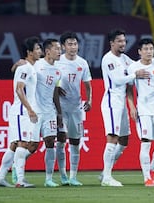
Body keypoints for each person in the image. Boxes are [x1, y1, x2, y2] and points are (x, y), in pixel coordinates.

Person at [100, 28, 150, 187]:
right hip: (111, 102)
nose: (123, 44)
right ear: (112, 43)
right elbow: (119, 80)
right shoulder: (108, 59)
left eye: (124, 41)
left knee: (124, 140)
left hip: (121, 102)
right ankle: (107, 177)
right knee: (113, 137)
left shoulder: (125, 59)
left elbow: (139, 65)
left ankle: (105, 172)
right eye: (119, 41)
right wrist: (136, 75)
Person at [0, 36, 42, 188]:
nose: (40, 51)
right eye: (37, 49)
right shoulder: (25, 68)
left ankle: (0, 177)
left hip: (24, 110)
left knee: (14, 145)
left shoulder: (31, 67)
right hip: (22, 111)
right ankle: (20, 180)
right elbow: (19, 89)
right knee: (22, 143)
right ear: (29, 52)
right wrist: (29, 109)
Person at [127, 38, 154, 187]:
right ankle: (147, 178)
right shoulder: (133, 68)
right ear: (139, 52)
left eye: (151, 49)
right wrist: (132, 107)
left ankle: (152, 169)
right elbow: (129, 89)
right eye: (145, 49)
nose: (149, 51)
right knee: (146, 143)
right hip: (143, 111)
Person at [55, 31, 92, 186]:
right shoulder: (57, 62)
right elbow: (48, 81)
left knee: (75, 141)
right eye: (69, 44)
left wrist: (89, 100)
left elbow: (87, 83)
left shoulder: (82, 63)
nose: (73, 47)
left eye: (75, 44)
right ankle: (63, 175)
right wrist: (55, 89)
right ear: (63, 46)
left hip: (76, 108)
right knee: (61, 140)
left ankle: (73, 176)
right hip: (60, 108)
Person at [33, 38, 63, 187]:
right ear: (47, 51)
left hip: (49, 111)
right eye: (57, 49)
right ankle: (16, 168)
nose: (60, 51)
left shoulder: (58, 70)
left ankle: (48, 179)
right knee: (31, 146)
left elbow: (55, 92)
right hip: (35, 111)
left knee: (51, 142)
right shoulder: (36, 65)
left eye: (60, 49)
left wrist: (59, 112)